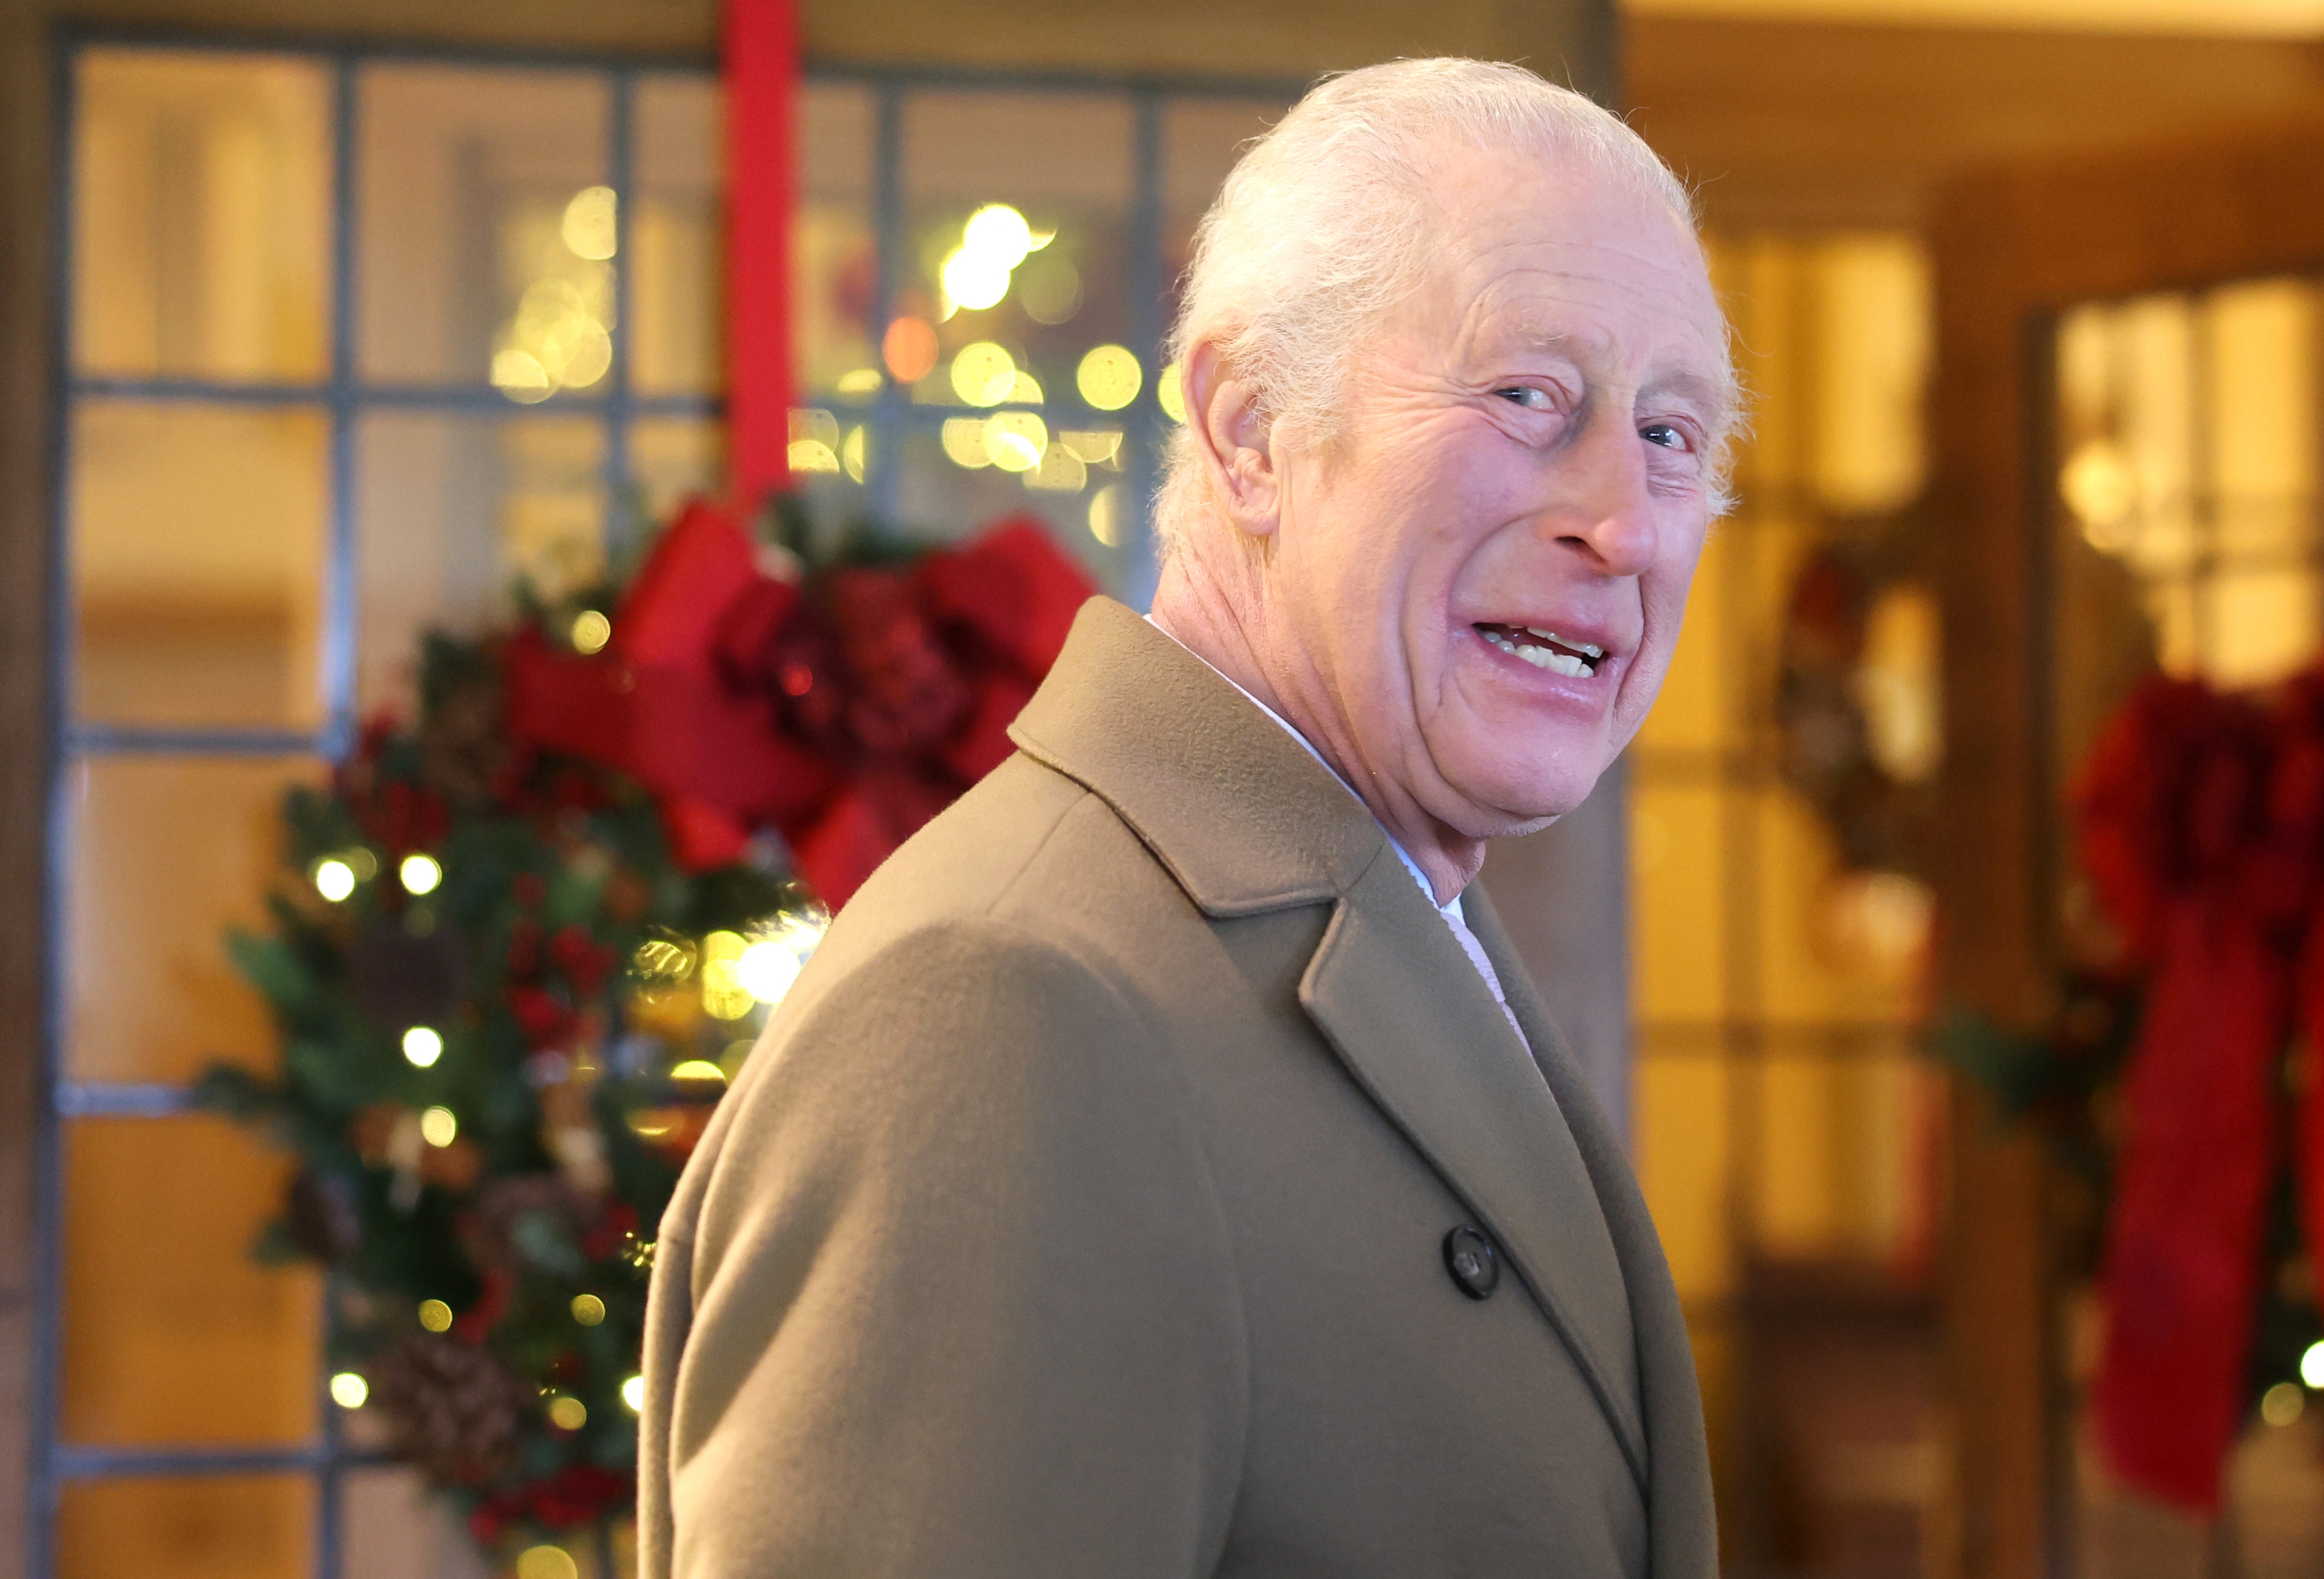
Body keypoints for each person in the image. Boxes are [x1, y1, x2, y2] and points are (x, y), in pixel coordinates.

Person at [637, 56, 1740, 1578]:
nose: (1619, 519)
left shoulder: (1394, 909)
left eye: (1674, 435)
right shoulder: (1005, 1004)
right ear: (1248, 427)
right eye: (1528, 397)